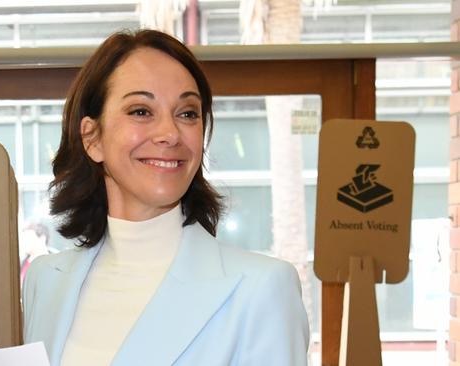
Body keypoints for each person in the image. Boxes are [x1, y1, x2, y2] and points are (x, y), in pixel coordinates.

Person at [22, 29, 309, 366]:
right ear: (92, 138)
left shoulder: (262, 288)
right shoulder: (45, 279)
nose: (170, 134)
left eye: (187, 113)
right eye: (141, 111)